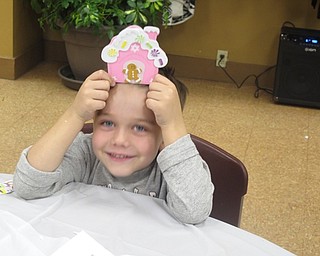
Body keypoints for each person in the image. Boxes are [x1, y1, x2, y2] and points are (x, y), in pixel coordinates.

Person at [13, 67, 214, 224]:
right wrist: (75, 114)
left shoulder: (171, 172)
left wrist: (173, 125)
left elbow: (194, 212)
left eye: (139, 128)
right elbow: (28, 186)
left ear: (164, 138)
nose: (119, 140)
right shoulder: (87, 154)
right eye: (107, 123)